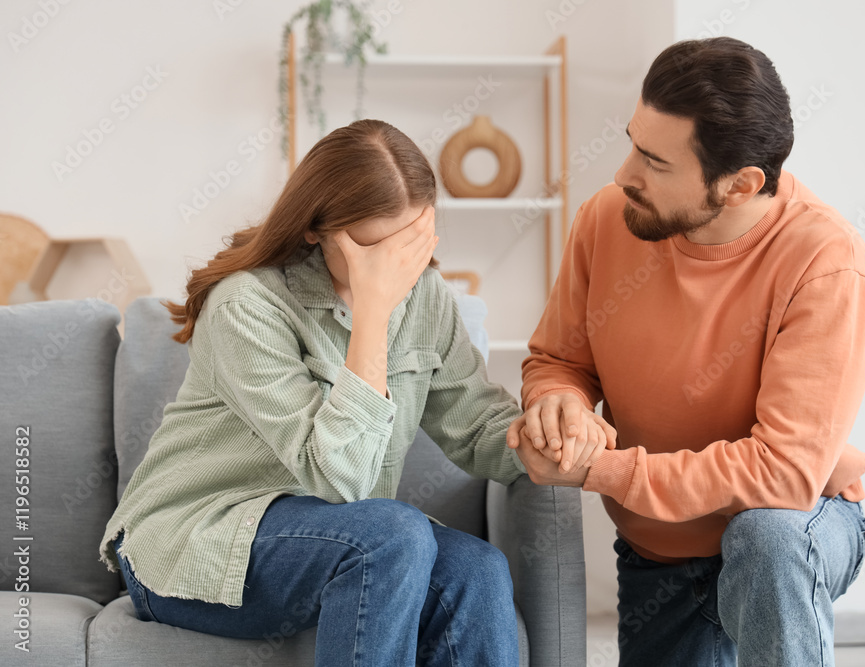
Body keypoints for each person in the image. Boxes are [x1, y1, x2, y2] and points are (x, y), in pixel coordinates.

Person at [98, 119, 542, 666]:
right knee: (390, 533)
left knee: (477, 570)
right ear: (315, 229)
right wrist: (373, 315)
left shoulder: (426, 299)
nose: (396, 269)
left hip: (334, 545)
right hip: (194, 544)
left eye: (408, 245)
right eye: (373, 249)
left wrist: (551, 440)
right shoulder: (246, 305)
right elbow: (341, 480)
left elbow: (476, 428)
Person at [507, 37, 865, 666]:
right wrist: (558, 406)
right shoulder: (606, 219)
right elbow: (560, 360)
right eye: (632, 142)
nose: (625, 173)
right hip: (662, 553)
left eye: (654, 161)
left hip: (792, 523)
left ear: (739, 185)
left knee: (768, 537)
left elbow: (783, 476)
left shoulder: (825, 262)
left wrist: (599, 471)